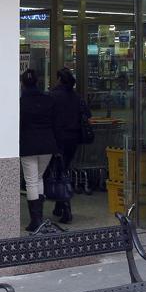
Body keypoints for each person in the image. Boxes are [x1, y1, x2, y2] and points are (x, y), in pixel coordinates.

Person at [19, 68, 59, 232]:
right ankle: (39, 218)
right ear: (37, 82)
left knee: (31, 181)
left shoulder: (21, 102)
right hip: (47, 144)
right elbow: (55, 121)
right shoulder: (48, 100)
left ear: (22, 84)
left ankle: (35, 220)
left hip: (28, 145)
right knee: (39, 178)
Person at [49, 67, 85, 223]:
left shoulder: (53, 96)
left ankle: (66, 209)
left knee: (60, 172)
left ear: (59, 79)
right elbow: (86, 114)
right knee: (63, 170)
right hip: (73, 139)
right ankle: (59, 205)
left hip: (57, 139)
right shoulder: (76, 97)